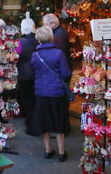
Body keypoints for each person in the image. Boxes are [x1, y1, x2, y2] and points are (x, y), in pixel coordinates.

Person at [30, 26, 71, 162]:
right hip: (57, 92)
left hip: (41, 93)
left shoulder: (35, 55)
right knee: (59, 122)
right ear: (51, 37)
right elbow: (66, 73)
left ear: (38, 39)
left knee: (45, 122)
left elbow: (33, 72)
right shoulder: (58, 53)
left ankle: (48, 149)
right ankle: (61, 152)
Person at [16, 18, 37, 135]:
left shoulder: (20, 42)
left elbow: (15, 57)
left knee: (28, 102)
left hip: (25, 76)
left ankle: (31, 126)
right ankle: (39, 124)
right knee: (36, 100)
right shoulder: (38, 39)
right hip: (38, 74)